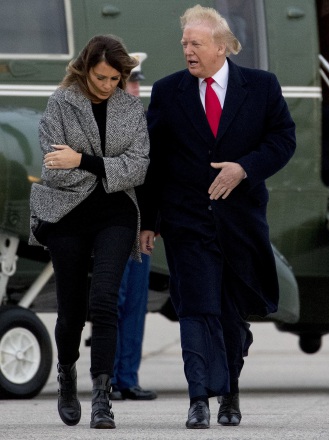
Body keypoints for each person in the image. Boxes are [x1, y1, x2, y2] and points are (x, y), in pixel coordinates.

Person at [138, 5, 295, 429]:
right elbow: (155, 160)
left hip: (240, 221)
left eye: (196, 43)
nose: (188, 51)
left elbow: (283, 139)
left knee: (229, 315)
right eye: (184, 43)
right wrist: (149, 220)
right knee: (196, 309)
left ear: (222, 47)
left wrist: (244, 168)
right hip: (188, 221)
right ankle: (198, 400)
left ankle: (230, 393)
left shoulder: (260, 88)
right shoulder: (170, 91)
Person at [29, 35, 149, 429]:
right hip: (67, 213)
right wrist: (107, 166)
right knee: (71, 312)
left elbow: (138, 168)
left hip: (116, 214)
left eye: (116, 78)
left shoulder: (131, 108)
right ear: (85, 69)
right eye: (101, 77)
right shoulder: (60, 103)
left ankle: (102, 397)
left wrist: (81, 158)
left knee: (105, 301)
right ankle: (67, 376)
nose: (108, 85)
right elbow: (52, 169)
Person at [109, 52, 158, 402]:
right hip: (110, 226)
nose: (137, 87)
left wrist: (151, 226)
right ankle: (107, 376)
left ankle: (128, 377)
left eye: (137, 81)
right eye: (131, 81)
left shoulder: (144, 121)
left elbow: (152, 181)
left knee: (135, 304)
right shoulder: (100, 121)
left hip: (139, 227)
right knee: (112, 300)